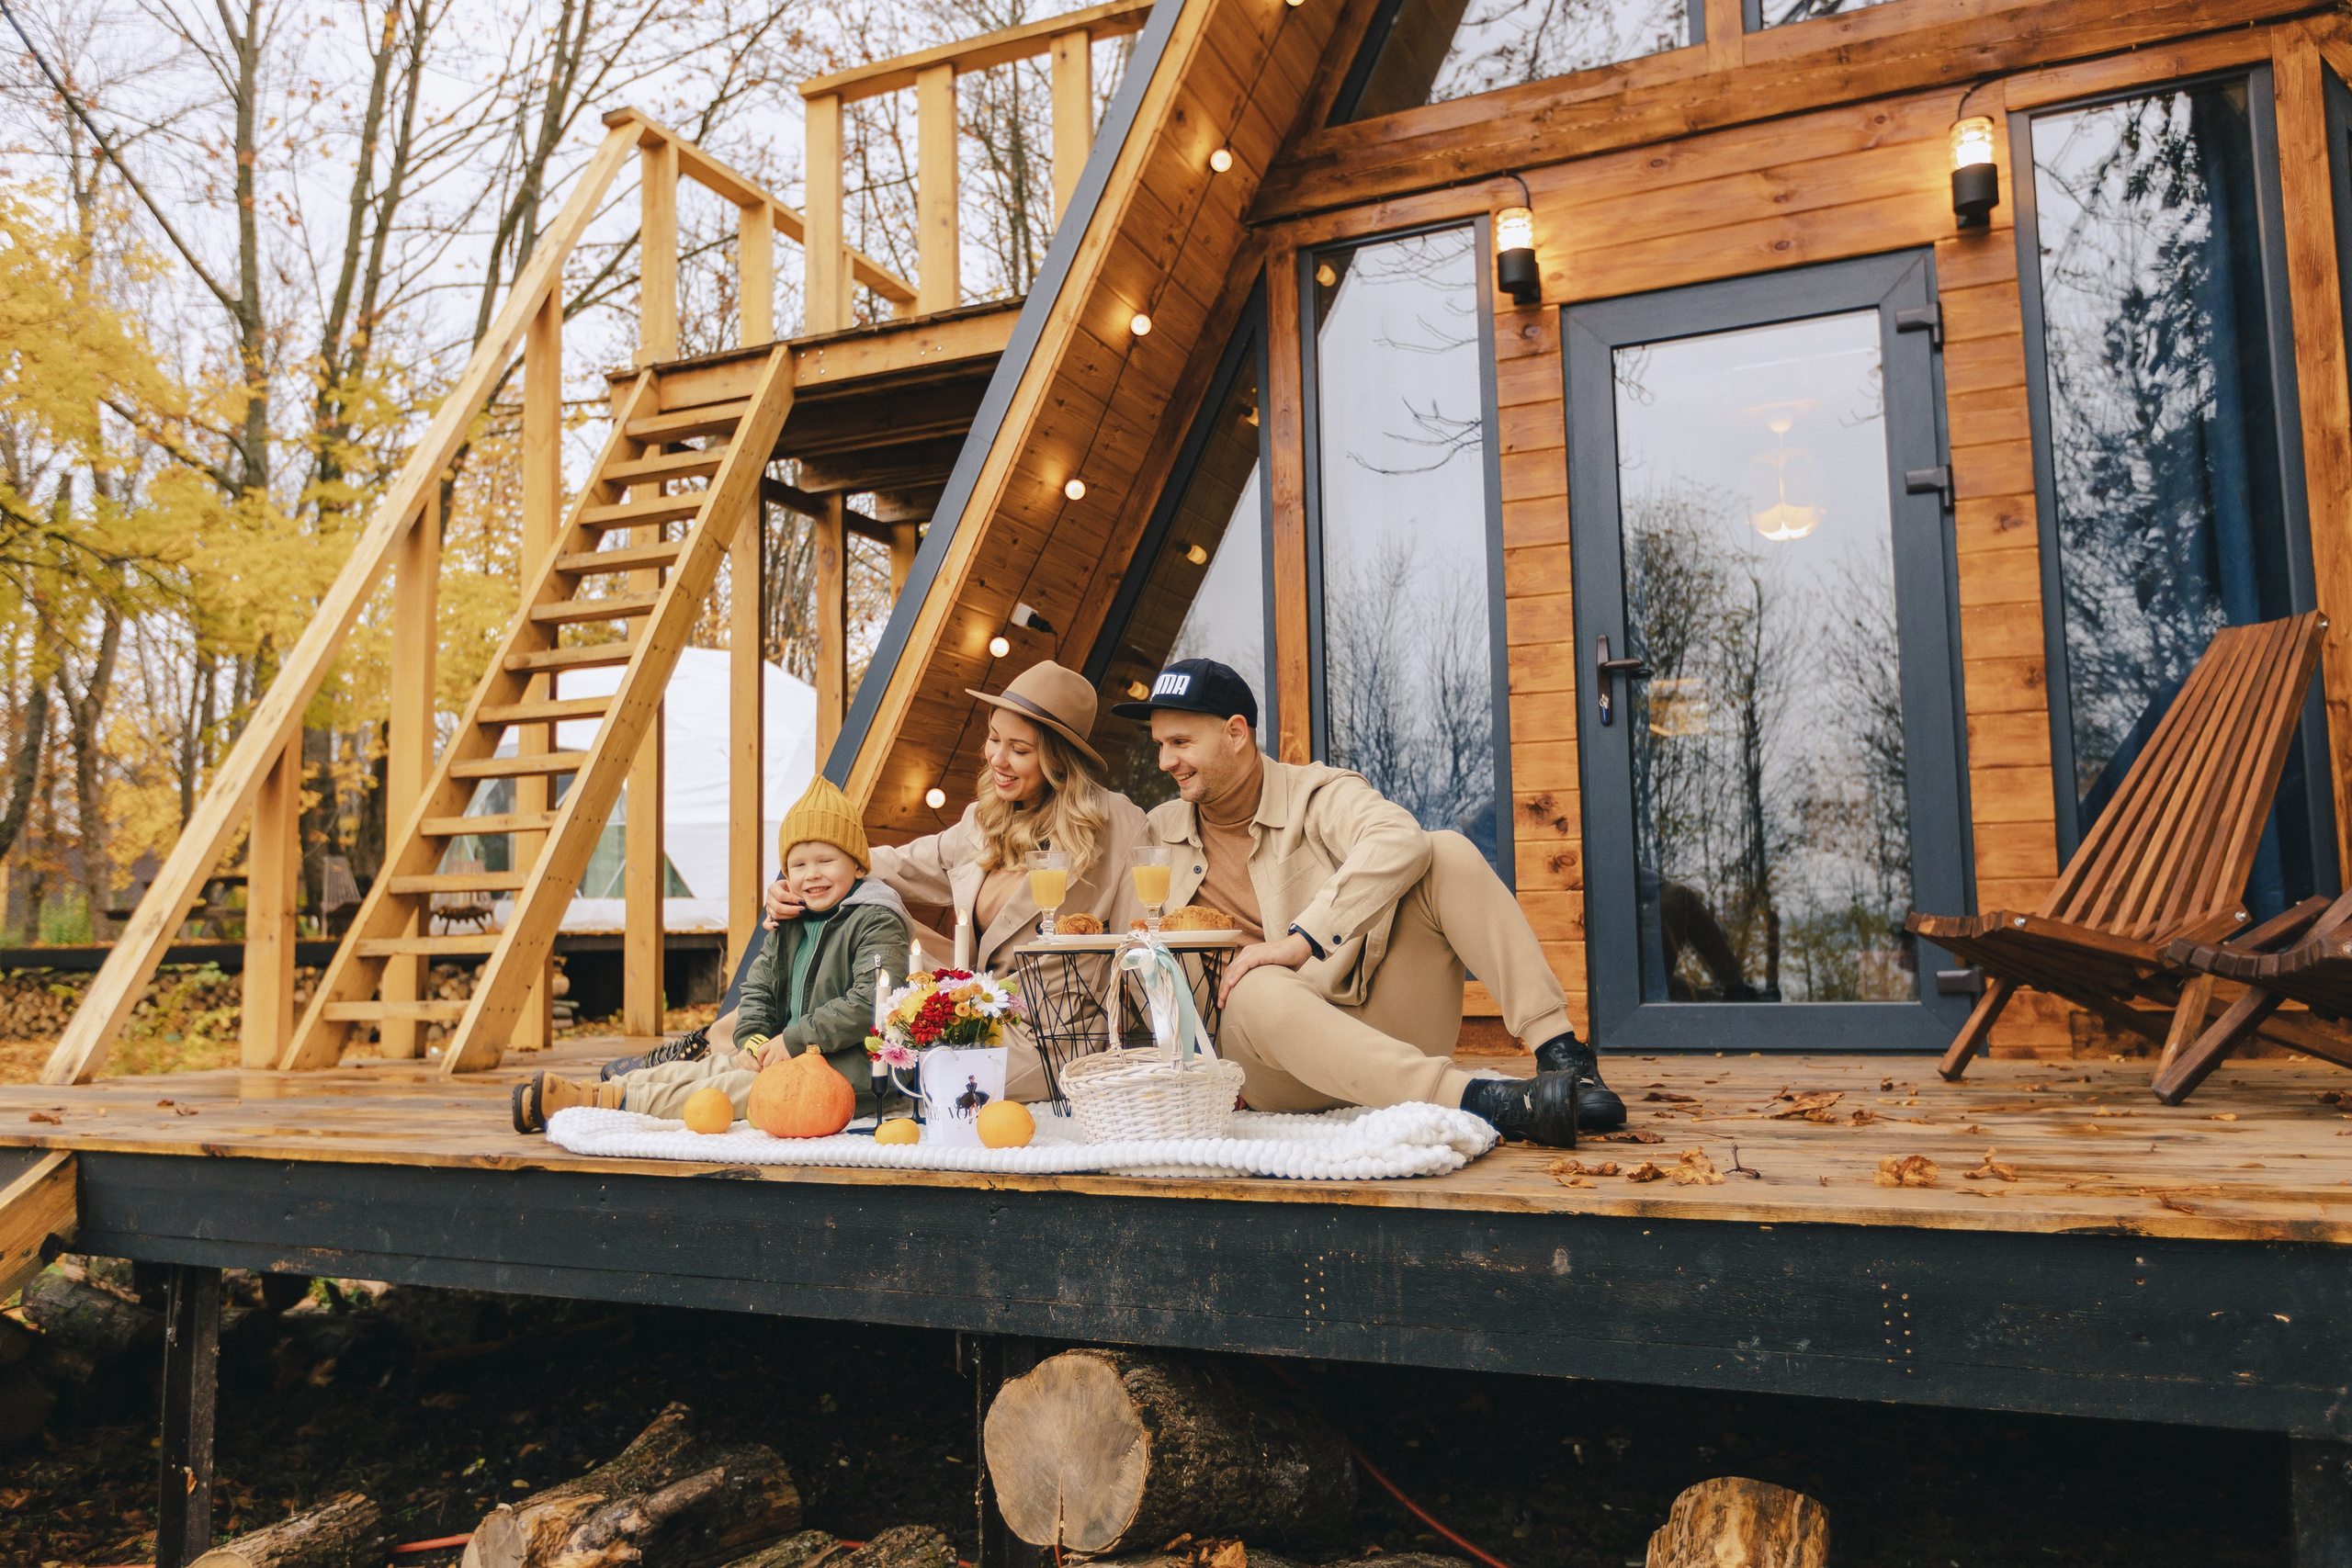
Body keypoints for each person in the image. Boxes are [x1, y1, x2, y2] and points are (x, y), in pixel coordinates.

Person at [1109, 659, 1624, 1148]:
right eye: (1160, 744)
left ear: (1236, 733)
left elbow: (1400, 838)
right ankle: (1480, 1102)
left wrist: (1300, 941)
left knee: (1444, 851)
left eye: (1180, 742)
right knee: (1255, 985)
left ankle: (1563, 1056)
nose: (1164, 761)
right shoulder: (1156, 834)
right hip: (1272, 1063)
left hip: (1378, 1020)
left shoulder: (1316, 793)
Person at [763, 660, 1152, 1101]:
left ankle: (776, 1073)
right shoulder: (982, 819)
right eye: (993, 739)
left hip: (1046, 1038)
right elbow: (892, 864)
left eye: (1019, 750)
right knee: (850, 918)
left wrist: (1150, 1058)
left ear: (1059, 759)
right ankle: (735, 1043)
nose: (997, 759)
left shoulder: (1119, 824)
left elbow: (1140, 950)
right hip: (968, 1008)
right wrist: (806, 877)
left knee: (879, 1059)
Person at [511, 778, 911, 1132]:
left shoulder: (876, 919)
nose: (812, 875)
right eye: (799, 864)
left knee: (721, 1090)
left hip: (850, 1070)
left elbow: (869, 1002)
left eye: (827, 861)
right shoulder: (790, 918)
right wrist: (752, 1038)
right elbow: (759, 987)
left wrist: (795, 1039)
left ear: (858, 866)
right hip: (786, 1053)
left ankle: (598, 1105)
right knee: (707, 1068)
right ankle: (601, 1090)